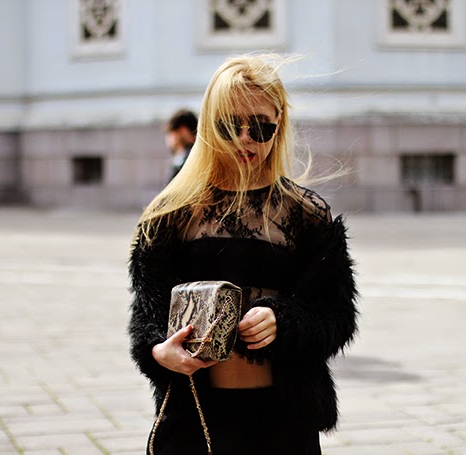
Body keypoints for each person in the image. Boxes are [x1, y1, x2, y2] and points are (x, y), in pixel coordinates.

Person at [128, 54, 358, 455]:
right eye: (230, 125)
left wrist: (282, 320)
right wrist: (159, 351)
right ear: (208, 124)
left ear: (279, 122)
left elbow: (335, 315)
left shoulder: (307, 215)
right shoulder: (171, 214)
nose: (245, 139)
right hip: (196, 416)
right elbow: (146, 315)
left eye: (261, 126)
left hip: (283, 421)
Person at [165, 109, 198, 182]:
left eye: (171, 132)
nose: (169, 139)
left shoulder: (184, 161)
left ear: (183, 130)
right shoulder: (204, 154)